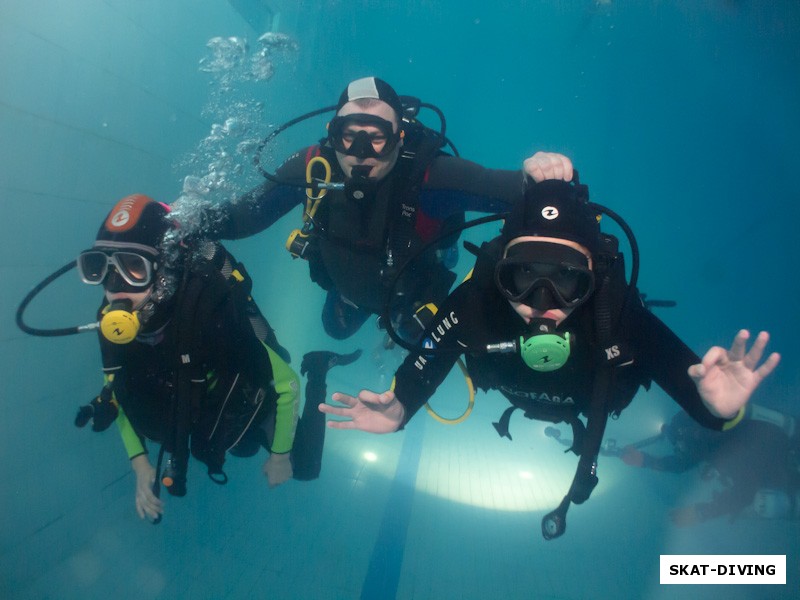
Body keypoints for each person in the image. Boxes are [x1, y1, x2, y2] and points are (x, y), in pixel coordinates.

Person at [320, 176, 781, 538]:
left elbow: (707, 412)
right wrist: (400, 406)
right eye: (523, 276)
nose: (543, 301)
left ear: (593, 278)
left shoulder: (620, 320)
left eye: (566, 279)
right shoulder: (475, 305)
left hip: (583, 401)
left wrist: (722, 411)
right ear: (501, 271)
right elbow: (429, 357)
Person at [206, 76, 574, 340]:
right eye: (349, 136)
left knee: (417, 340)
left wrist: (539, 173)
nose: (361, 153)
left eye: (377, 138)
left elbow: (517, 191)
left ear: (399, 137)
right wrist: (184, 220)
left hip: (409, 297)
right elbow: (244, 216)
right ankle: (357, 302)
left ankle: (434, 273)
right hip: (348, 290)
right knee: (334, 331)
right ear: (333, 135)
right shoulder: (313, 167)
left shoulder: (430, 176)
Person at [73, 194, 308, 521]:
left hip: (248, 412)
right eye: (100, 267)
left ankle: (322, 369)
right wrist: (140, 465)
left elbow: (288, 385)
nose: (115, 288)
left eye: (133, 267)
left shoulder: (209, 312)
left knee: (297, 464)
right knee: (230, 450)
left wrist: (281, 456)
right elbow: (115, 392)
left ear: (163, 268)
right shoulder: (111, 323)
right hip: (203, 424)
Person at [621, 406, 800, 525]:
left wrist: (702, 512)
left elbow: (744, 493)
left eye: (685, 447)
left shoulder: (732, 444)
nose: (686, 452)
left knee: (765, 503)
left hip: (785, 466)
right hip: (783, 462)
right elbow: (684, 462)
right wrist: (646, 460)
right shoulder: (718, 436)